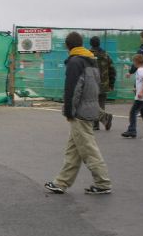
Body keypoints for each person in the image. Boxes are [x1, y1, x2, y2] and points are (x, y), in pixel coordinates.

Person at [44, 32, 112, 195]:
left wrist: (68, 112)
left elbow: (73, 89)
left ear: (68, 46)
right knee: (73, 150)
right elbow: (95, 85)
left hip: (79, 113)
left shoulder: (75, 62)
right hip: (89, 108)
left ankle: (103, 183)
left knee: (88, 149)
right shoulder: (91, 60)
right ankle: (61, 182)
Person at [89, 36, 115, 130]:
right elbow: (112, 70)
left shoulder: (88, 55)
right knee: (101, 103)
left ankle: (98, 123)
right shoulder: (105, 55)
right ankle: (102, 120)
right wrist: (111, 84)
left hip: (91, 84)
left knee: (91, 103)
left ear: (91, 43)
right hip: (104, 84)